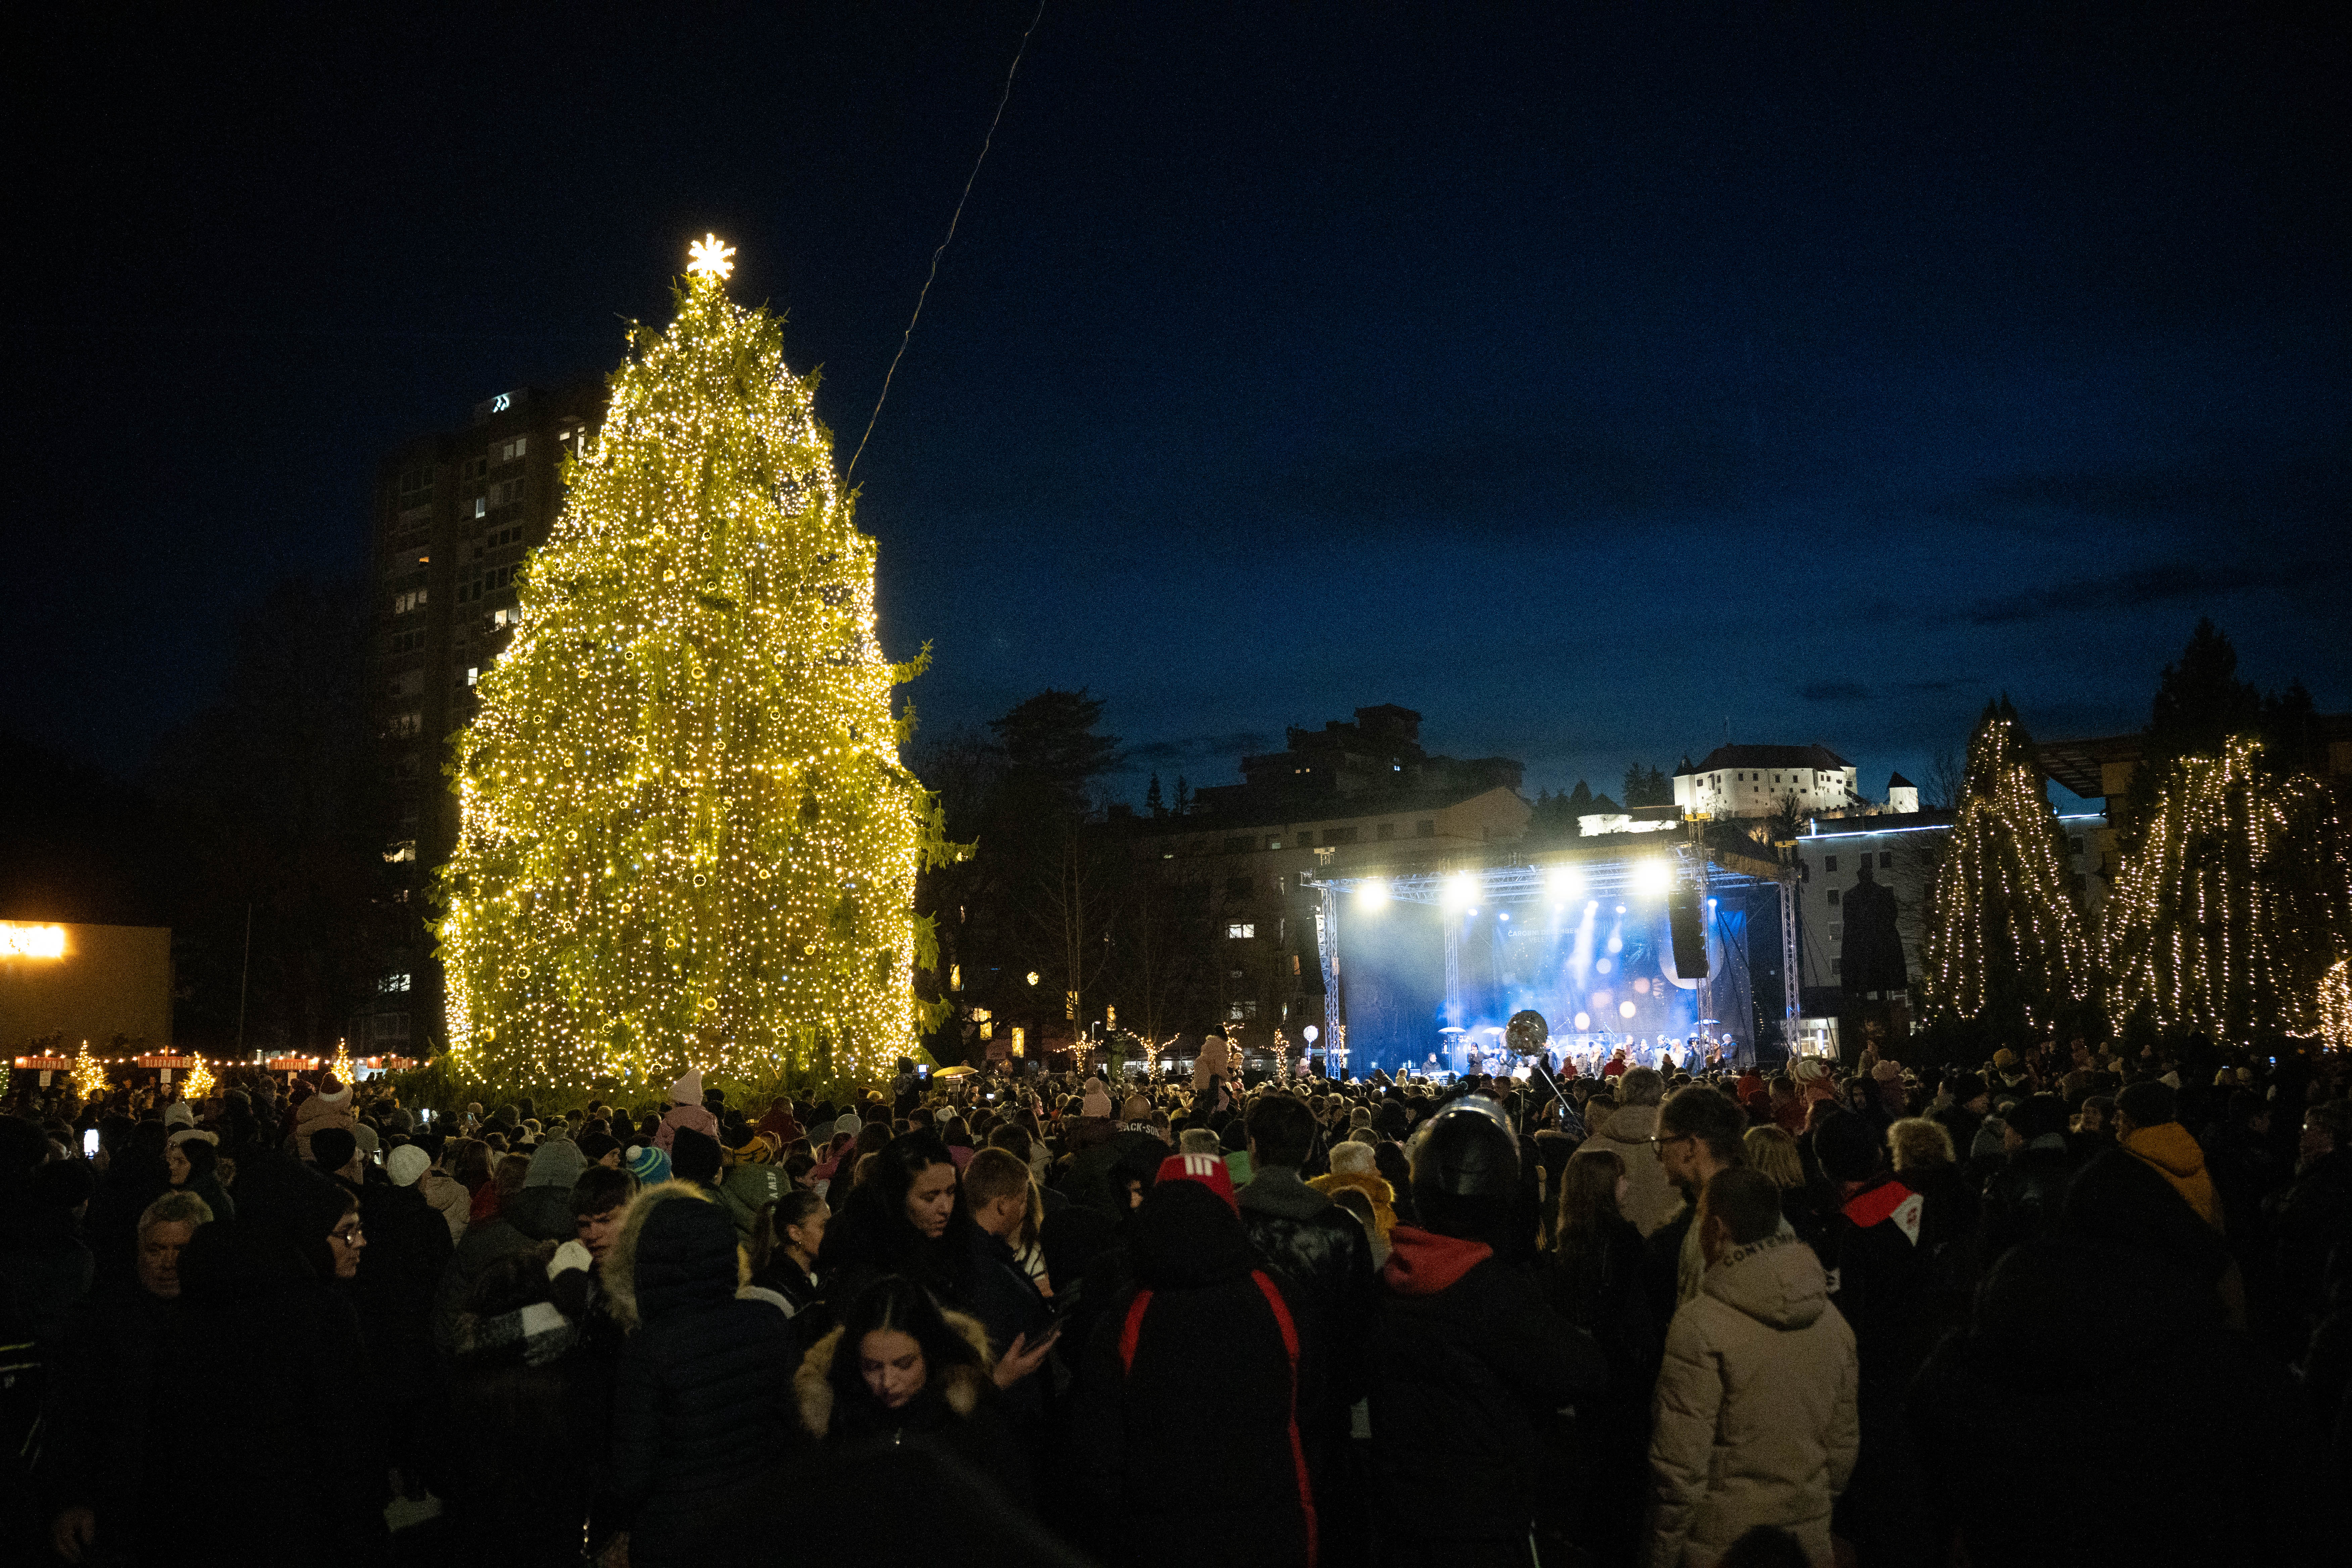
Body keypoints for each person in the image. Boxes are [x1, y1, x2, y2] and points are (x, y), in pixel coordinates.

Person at [1372, 1098, 1607, 1566]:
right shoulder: (1493, 1293)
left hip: (1401, 1512)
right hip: (1485, 1520)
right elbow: (1585, 1370)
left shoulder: (1392, 1277)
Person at [1071, 1153, 1317, 1567]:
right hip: (1268, 1522)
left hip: (1162, 1531)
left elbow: (1100, 1440)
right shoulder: (1278, 1297)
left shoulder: (1131, 1309)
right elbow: (1311, 1409)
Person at [1648, 1168, 1858, 1568]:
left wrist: (1661, 1555)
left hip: (1722, 1546)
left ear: (1719, 1228)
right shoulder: (1833, 1323)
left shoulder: (1701, 1326)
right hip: (1804, 1542)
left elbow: (1679, 1469)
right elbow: (1842, 1447)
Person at [604, 1180, 802, 1566]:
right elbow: (793, 1423)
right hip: (760, 1524)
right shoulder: (768, 1321)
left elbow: (631, 1476)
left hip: (678, 1537)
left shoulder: (649, 1349)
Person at [42, 1191, 210, 1565]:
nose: (168, 1262)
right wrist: (72, 1497)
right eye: (155, 1250)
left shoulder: (225, 1323)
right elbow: (73, 1414)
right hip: (121, 1505)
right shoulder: (100, 1320)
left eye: (180, 1250)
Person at [797, 1273, 1033, 1502]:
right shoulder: (834, 1419)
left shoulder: (971, 1420)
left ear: (930, 1355)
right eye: (872, 1367)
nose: (888, 1382)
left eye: (904, 1365)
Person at [1541, 1148, 1655, 1564]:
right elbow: (1632, 1313)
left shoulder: (1565, 1239)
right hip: (1618, 1373)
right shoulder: (1624, 1240)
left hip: (1581, 1371)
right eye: (1622, 1178)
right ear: (1608, 1186)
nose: (1628, 1185)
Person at [1575, 1066, 1683, 1236]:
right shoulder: (1682, 1148)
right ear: (1660, 1094)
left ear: (1620, 1094)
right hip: (1670, 1244)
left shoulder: (1591, 1149)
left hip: (1612, 1246)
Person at [749, 1190, 829, 1316]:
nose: (832, 1233)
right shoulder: (774, 1286)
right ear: (796, 1234)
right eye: (825, 1227)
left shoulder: (825, 1275)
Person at [165, 1131, 236, 1221]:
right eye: (173, 1160)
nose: (172, 1167)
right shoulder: (201, 1192)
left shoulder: (205, 1202)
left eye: (181, 1162)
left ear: (198, 1165)